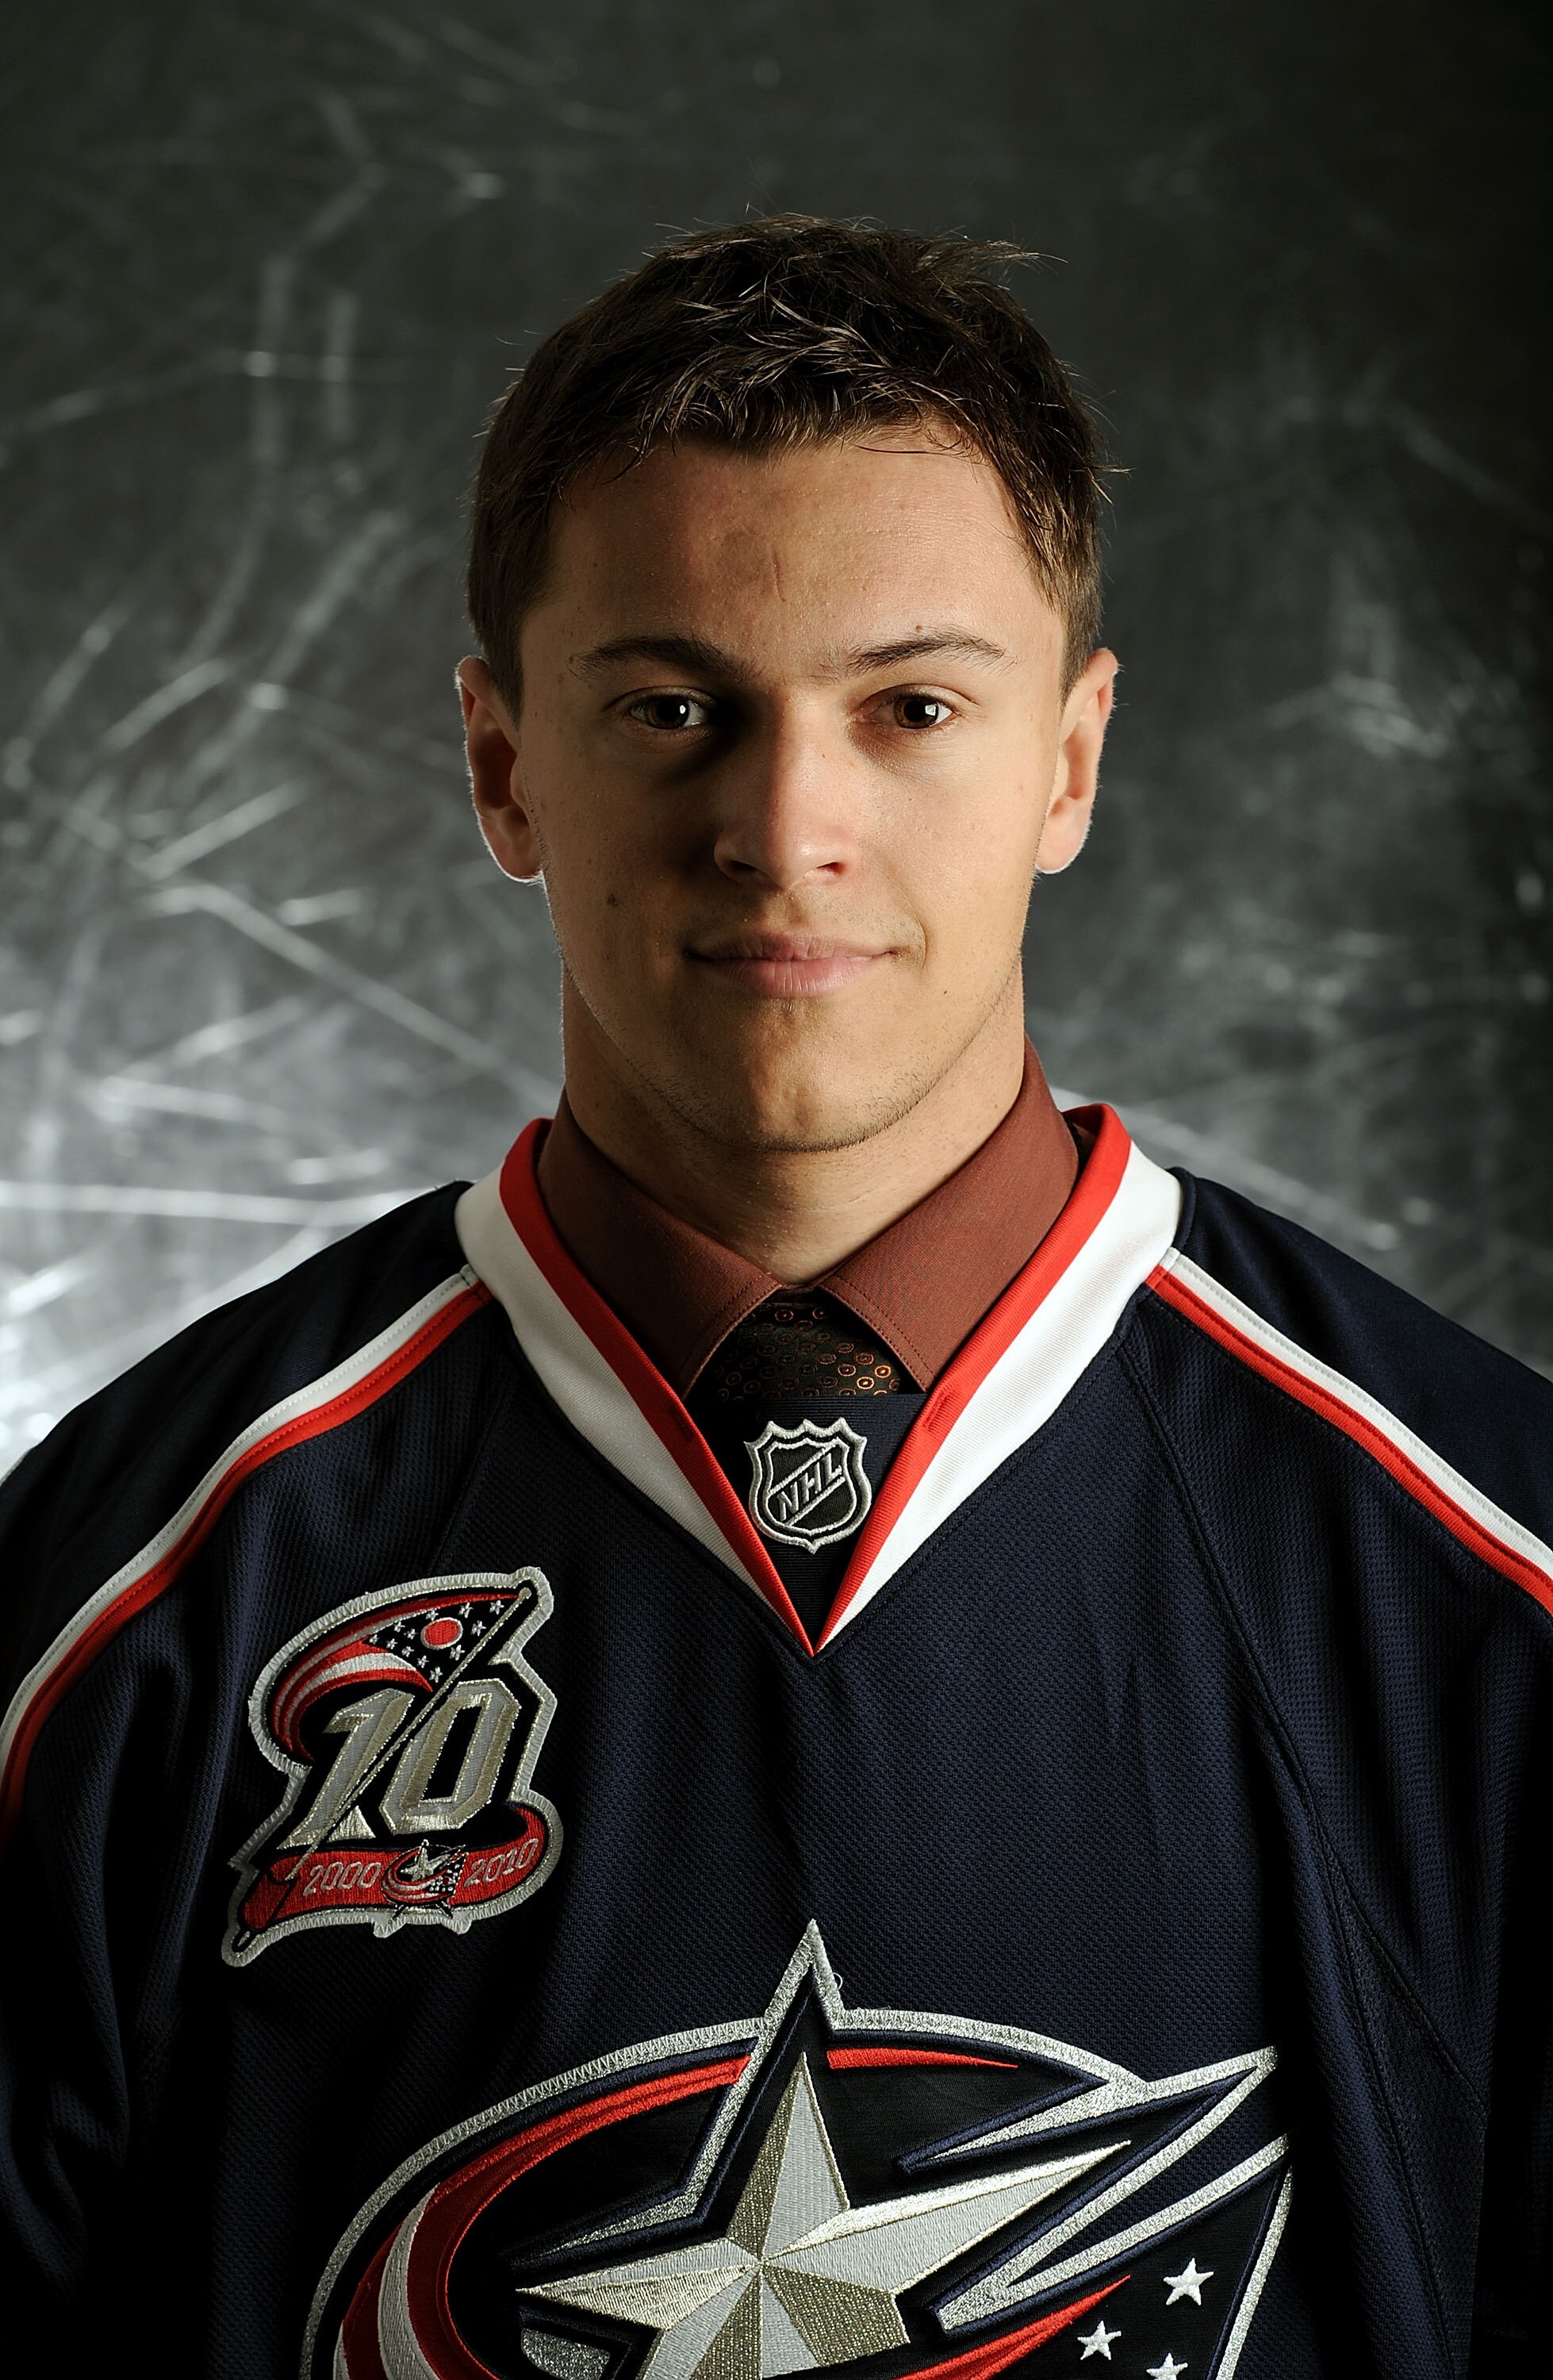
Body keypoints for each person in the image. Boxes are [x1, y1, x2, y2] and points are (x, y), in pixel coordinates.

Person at [1, 217, 1547, 2380]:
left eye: (909, 706)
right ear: (502, 763)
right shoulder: (122, 1596)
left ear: (1072, 762)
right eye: (670, 707)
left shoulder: (1482, 1569)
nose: (785, 820)